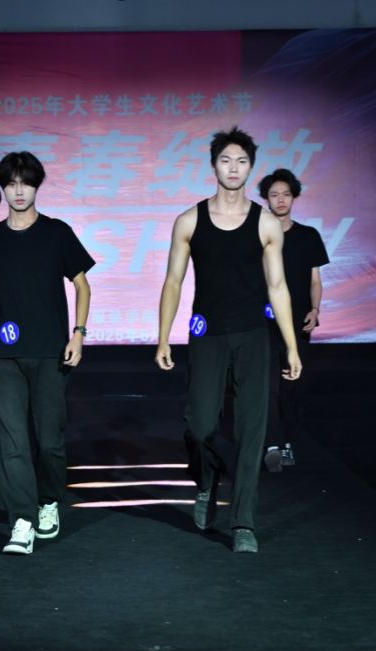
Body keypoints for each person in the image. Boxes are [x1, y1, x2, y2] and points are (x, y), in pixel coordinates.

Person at [155, 127, 301, 554]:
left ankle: (243, 523)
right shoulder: (189, 220)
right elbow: (173, 280)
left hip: (254, 334)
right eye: (225, 160)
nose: (233, 168)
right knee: (200, 426)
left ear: (250, 167)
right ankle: (205, 482)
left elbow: (278, 286)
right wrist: (163, 337)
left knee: (251, 430)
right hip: (207, 334)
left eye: (241, 161)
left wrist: (291, 346)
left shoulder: (266, 223)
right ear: (213, 166)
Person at [0, 152, 93, 555]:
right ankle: (21, 520)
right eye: (11, 184)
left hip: (50, 352)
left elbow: (82, 285)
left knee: (49, 439)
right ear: (3, 189)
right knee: (12, 441)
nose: (18, 191)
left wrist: (78, 335)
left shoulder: (56, 232)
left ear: (37, 186)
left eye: (25, 183)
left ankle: (48, 501)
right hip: (5, 352)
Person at [257, 168, 329, 470]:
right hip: (263, 320)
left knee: (291, 385)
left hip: (298, 322)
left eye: (285, 194)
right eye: (274, 195)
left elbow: (315, 281)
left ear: (294, 197)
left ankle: (287, 441)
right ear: (266, 199)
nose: (280, 200)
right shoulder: (258, 234)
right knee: (267, 384)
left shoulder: (308, 236)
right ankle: (272, 443)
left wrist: (315, 310)